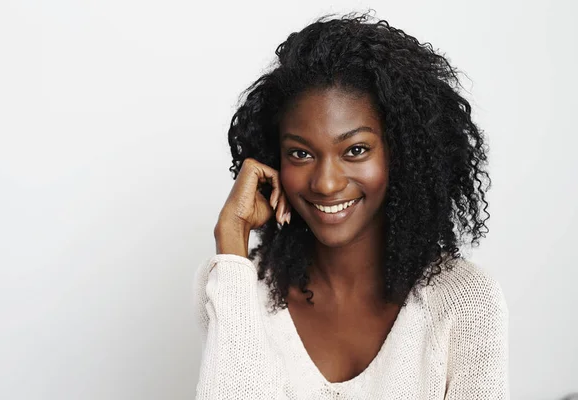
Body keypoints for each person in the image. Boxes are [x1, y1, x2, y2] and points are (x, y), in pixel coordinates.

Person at [193, 11, 509, 399]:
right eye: (301, 153)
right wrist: (231, 238)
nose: (326, 183)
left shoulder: (462, 302)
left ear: (402, 154)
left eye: (355, 150)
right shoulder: (237, 286)